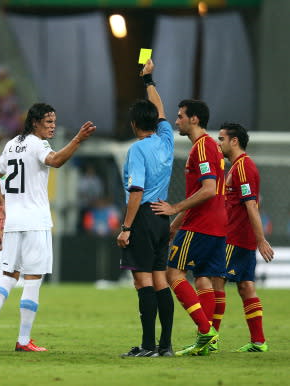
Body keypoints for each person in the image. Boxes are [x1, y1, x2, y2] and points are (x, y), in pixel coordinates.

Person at [0, 103, 96, 352]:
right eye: (48, 122)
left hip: (12, 221)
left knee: (8, 274)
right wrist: (78, 139)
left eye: (54, 121)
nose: (53, 126)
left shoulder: (11, 144)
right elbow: (55, 161)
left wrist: (1, 203)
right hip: (35, 221)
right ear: (35, 123)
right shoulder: (38, 144)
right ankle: (23, 340)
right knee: (33, 279)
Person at [151, 99, 226, 356]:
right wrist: (176, 222)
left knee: (173, 273)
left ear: (194, 119)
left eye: (181, 116)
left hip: (201, 224)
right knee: (203, 278)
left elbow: (208, 190)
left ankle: (206, 331)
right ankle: (206, 341)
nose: (176, 120)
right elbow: (202, 191)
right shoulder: (211, 147)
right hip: (216, 225)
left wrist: (174, 208)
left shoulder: (202, 148)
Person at [117, 60, 175, 357]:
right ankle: (165, 345)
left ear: (134, 124)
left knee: (142, 281)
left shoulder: (137, 149)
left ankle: (148, 346)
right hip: (162, 217)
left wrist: (126, 227)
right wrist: (149, 80)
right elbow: (161, 110)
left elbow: (136, 191)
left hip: (142, 217)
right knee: (160, 279)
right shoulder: (167, 140)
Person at [216, 122, 274, 352]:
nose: (218, 143)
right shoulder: (238, 167)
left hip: (235, 237)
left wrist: (260, 239)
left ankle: (209, 339)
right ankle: (258, 341)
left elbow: (251, 205)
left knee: (215, 282)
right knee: (246, 286)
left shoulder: (242, 167)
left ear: (234, 141)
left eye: (221, 139)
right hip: (242, 236)